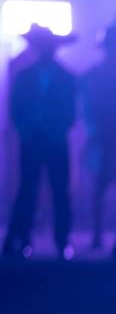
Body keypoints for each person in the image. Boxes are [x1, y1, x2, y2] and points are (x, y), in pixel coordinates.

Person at [3, 25, 77, 261]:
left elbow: (70, 113)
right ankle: (22, 238)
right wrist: (28, 131)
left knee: (58, 192)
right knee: (28, 190)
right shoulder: (26, 77)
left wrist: (54, 130)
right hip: (33, 141)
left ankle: (61, 239)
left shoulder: (66, 78)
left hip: (54, 142)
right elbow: (16, 111)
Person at [81, 25, 116, 252]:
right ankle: (97, 235)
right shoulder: (96, 74)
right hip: (104, 135)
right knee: (100, 186)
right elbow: (88, 104)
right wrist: (93, 130)